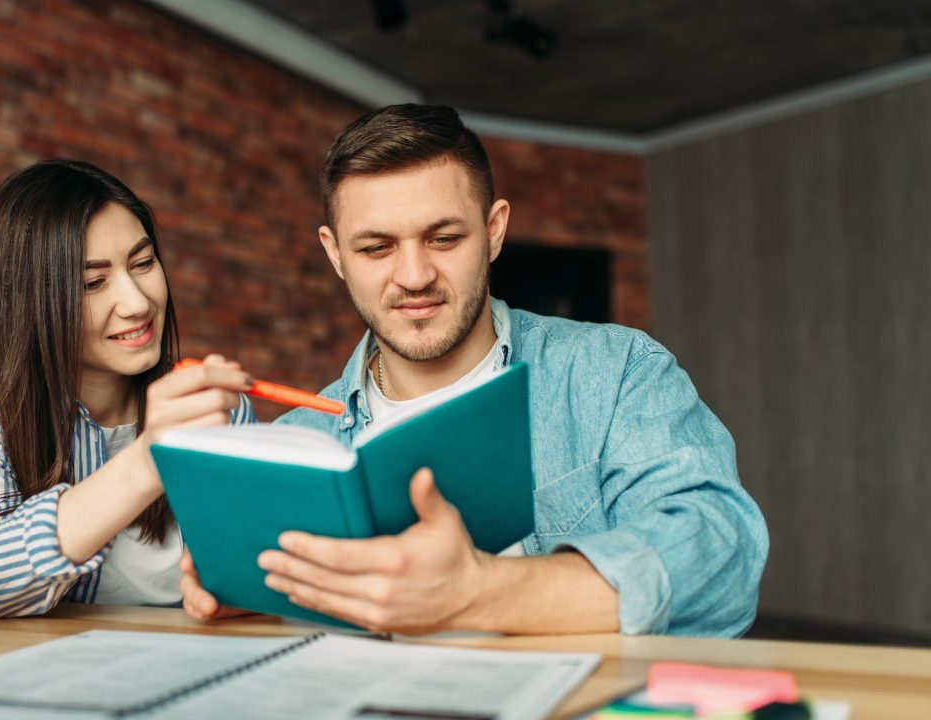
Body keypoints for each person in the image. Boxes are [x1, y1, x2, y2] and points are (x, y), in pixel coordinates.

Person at [180, 104, 769, 637]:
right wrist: (254, 596)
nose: (413, 276)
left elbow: (720, 550)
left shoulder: (614, 372)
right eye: (376, 248)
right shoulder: (298, 448)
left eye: (443, 237)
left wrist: (476, 594)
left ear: (494, 230)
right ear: (335, 255)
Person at [0, 159, 255, 618]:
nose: (136, 302)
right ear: (31, 299)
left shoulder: (210, 404)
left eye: (143, 263)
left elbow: (245, 573)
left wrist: (242, 592)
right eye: (92, 282)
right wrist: (147, 460)